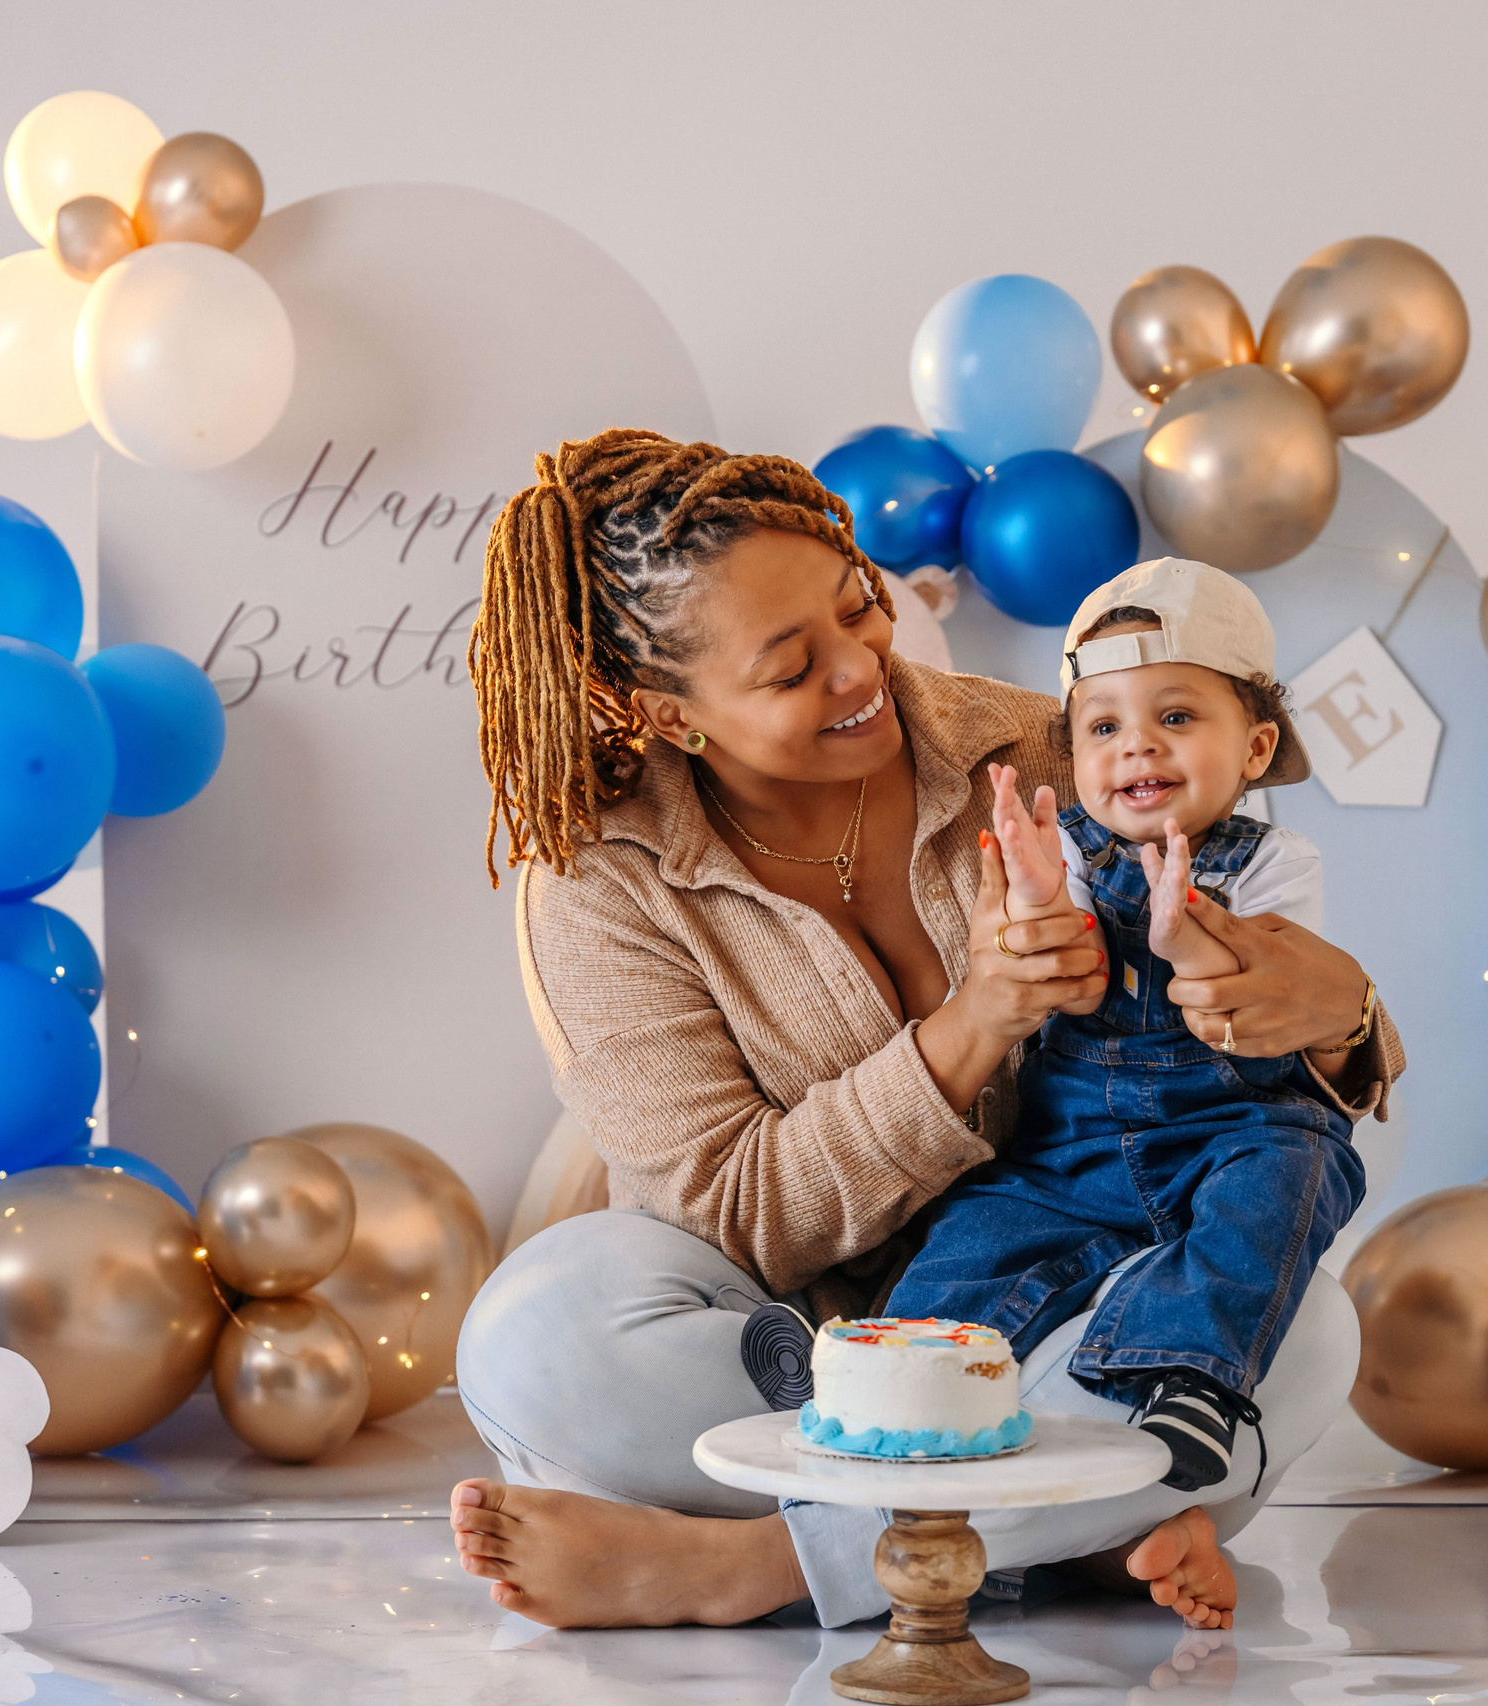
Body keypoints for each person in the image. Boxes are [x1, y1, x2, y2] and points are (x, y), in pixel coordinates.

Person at [446, 429, 1403, 1633]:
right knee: (534, 1328)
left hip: (1065, 1303)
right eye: (791, 668)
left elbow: (1240, 1029)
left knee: (1304, 1321)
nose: (860, 671)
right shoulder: (596, 882)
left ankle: (757, 1567)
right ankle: (1057, 1531)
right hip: (790, 1343)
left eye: (862, 609)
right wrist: (979, 1018)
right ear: (665, 711)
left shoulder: (1048, 742)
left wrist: (1342, 1016)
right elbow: (733, 1212)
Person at [884, 557, 1369, 1495]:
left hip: (1230, 1130)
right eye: (1105, 727)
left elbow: (1233, 997)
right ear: (1073, 756)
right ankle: (902, 1396)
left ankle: (1187, 1381)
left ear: (1257, 749)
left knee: (1298, 1177)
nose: (1138, 749)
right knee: (978, 1233)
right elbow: (1066, 981)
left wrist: (1186, 935)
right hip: (1074, 1144)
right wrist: (1031, 896)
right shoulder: (1068, 841)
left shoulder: (1276, 862)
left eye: (1176, 719)